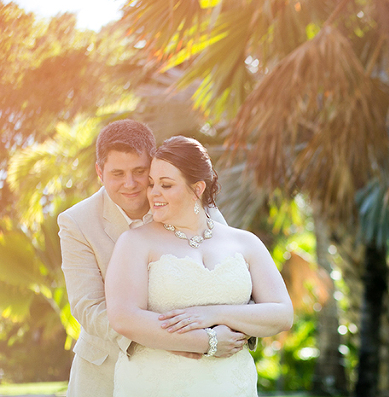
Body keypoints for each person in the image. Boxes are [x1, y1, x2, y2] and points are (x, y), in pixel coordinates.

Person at [58, 120, 237, 397]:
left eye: (139, 171)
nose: (129, 184)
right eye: (117, 173)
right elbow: (88, 307)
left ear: (153, 165)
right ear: (99, 172)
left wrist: (228, 332)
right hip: (106, 370)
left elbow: (231, 271)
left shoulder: (192, 204)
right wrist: (171, 339)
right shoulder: (76, 222)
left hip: (195, 370)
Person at [105, 135, 293, 397]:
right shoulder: (135, 242)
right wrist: (210, 341)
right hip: (156, 385)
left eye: (166, 185)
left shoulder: (245, 242)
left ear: (197, 188)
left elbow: (282, 314)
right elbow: (124, 317)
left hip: (230, 385)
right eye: (151, 184)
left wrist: (215, 313)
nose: (153, 193)